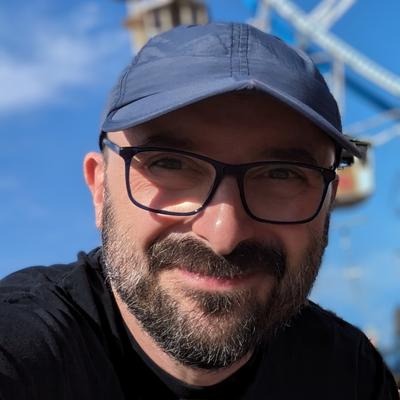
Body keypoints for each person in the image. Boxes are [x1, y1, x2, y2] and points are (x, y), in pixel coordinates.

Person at [0, 22, 398, 399]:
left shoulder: (351, 374)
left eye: (282, 174)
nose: (224, 235)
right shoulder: (22, 352)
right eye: (170, 163)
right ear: (100, 189)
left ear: (328, 202)